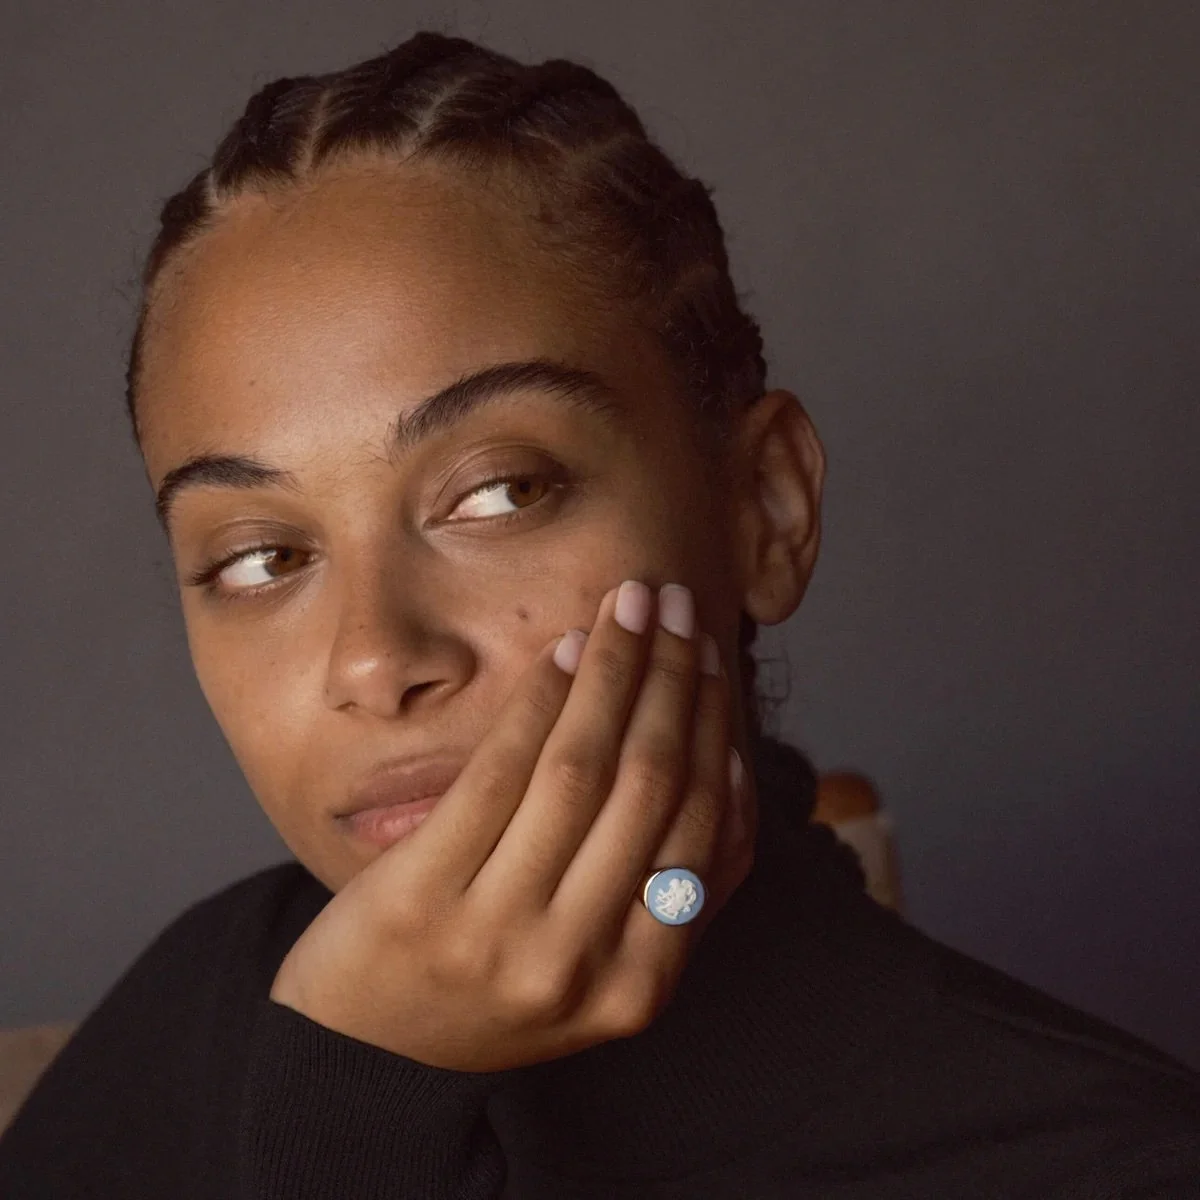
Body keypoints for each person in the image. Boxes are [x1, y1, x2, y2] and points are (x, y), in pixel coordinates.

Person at [1, 29, 1198, 1199]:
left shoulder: (1104, 1160)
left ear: (764, 512)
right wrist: (351, 1090)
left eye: (501, 491)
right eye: (261, 558)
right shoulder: (203, 1018)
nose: (376, 658)